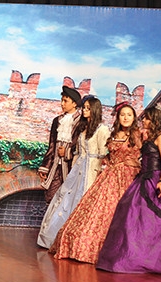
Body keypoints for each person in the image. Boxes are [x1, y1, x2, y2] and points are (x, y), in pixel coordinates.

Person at [96, 105, 161, 275]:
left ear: (154, 120)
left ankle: (158, 259)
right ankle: (134, 256)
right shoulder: (148, 137)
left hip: (155, 179)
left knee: (156, 221)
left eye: (147, 118)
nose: (143, 120)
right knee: (132, 214)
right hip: (142, 178)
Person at [50, 103, 141, 263]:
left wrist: (132, 164)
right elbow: (107, 155)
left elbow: (143, 155)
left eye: (129, 115)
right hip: (110, 176)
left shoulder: (138, 135)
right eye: (122, 115)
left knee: (123, 213)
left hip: (129, 177)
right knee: (97, 211)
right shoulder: (114, 134)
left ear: (134, 118)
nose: (126, 118)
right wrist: (107, 163)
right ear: (118, 118)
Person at [37, 97, 109, 248]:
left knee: (84, 202)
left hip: (92, 170)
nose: (84, 110)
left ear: (95, 110)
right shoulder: (83, 130)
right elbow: (77, 153)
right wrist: (72, 171)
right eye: (84, 108)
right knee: (65, 201)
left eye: (88, 108)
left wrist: (100, 175)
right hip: (78, 169)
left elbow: (104, 155)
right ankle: (58, 239)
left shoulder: (102, 130)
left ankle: (79, 243)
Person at [38, 86, 83, 203]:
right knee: (50, 197)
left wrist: (67, 152)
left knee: (68, 200)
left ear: (74, 103)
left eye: (65, 101)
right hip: (55, 167)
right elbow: (52, 145)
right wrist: (45, 167)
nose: (62, 104)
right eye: (62, 100)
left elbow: (82, 146)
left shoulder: (82, 122)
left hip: (71, 167)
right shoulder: (57, 120)